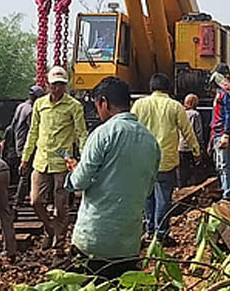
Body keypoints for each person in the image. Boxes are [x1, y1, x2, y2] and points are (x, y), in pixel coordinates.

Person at [65, 77, 161, 279]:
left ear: (104, 102)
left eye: (97, 105)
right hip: (128, 245)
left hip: (94, 240)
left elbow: (79, 182)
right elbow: (149, 189)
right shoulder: (151, 141)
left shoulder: (103, 134)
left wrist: (74, 170)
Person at [20, 66, 88, 249]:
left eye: (61, 85)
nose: (57, 88)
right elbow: (33, 132)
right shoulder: (40, 105)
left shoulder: (74, 106)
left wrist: (82, 159)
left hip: (61, 163)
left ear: (65, 86)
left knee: (61, 207)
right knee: (36, 201)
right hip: (41, 161)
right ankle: (50, 228)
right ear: (48, 85)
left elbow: (81, 133)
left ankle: (59, 244)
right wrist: (25, 157)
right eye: (54, 85)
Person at [133, 74, 202, 245]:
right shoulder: (175, 106)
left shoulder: (139, 105)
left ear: (151, 87)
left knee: (148, 197)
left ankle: (149, 231)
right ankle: (161, 234)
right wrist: (196, 150)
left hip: (144, 161)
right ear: (168, 88)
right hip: (166, 160)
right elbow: (187, 131)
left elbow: (130, 127)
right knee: (164, 198)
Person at [11, 85, 45, 206]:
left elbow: (13, 126)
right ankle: (18, 201)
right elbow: (34, 129)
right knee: (27, 174)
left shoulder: (21, 107)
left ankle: (24, 197)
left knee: (26, 172)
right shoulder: (31, 110)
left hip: (19, 143)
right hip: (27, 145)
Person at [210, 64, 230, 200]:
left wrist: (226, 134)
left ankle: (228, 194)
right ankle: (225, 190)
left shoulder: (226, 94)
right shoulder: (219, 93)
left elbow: (228, 114)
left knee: (225, 164)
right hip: (217, 132)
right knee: (220, 165)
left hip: (222, 133)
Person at [177, 94, 205, 187]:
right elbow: (198, 131)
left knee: (182, 172)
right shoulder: (195, 114)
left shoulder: (179, 113)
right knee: (195, 172)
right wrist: (200, 146)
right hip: (192, 147)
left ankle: (181, 188)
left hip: (180, 146)